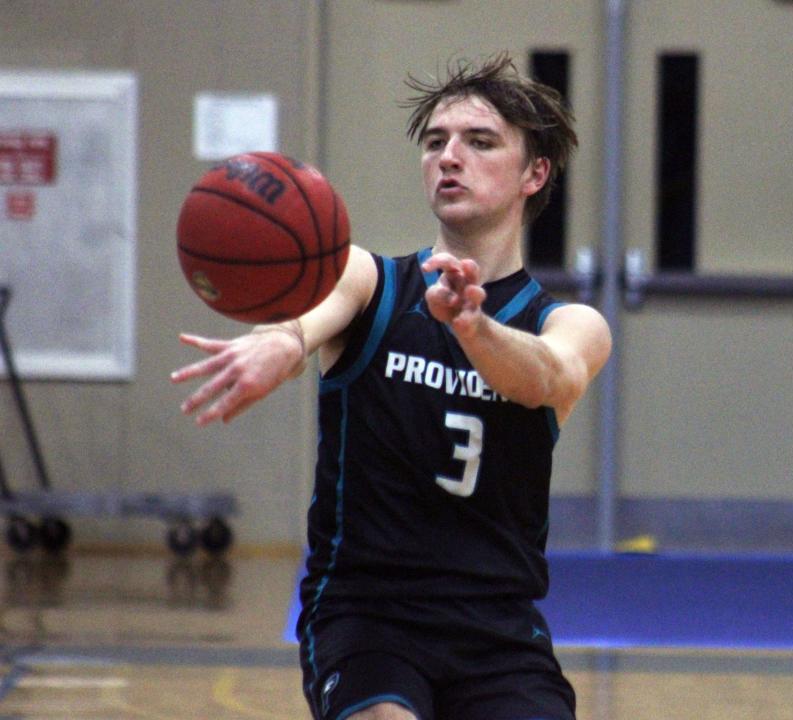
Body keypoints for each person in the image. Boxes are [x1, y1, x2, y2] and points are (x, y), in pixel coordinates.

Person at [172, 53, 611, 720]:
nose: (449, 157)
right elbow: (306, 322)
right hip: (367, 616)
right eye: (436, 142)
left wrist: (473, 327)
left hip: (496, 632)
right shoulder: (368, 281)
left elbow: (550, 376)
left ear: (535, 173)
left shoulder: (570, 322)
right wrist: (280, 343)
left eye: (479, 141)